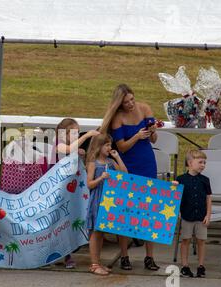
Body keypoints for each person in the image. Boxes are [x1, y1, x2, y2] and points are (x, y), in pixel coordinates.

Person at [100, 84, 160, 271]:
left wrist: (152, 131)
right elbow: (122, 147)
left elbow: (153, 140)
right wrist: (137, 136)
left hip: (147, 162)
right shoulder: (118, 118)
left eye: (132, 99)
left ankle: (149, 256)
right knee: (124, 211)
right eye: (126, 102)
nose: (131, 104)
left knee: (150, 210)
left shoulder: (145, 108)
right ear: (119, 103)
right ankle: (124, 256)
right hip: (127, 165)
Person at [52, 118, 100, 268]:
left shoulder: (72, 146)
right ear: (64, 134)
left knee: (69, 221)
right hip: (57, 192)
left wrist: (80, 154)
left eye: (79, 133)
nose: (77, 135)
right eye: (75, 133)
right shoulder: (58, 145)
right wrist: (85, 136)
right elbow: (65, 151)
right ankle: (58, 253)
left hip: (70, 191)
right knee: (58, 222)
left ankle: (68, 253)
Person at [86, 134, 127, 275]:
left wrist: (118, 157)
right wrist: (100, 178)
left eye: (110, 145)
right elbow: (89, 184)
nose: (110, 147)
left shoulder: (110, 162)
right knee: (95, 232)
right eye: (107, 145)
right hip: (97, 199)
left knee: (101, 232)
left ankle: (98, 262)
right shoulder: (93, 163)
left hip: (108, 201)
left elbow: (124, 173)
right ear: (99, 146)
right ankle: (94, 264)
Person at [176, 150, 212, 278]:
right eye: (200, 162)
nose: (203, 165)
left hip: (201, 216)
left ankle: (201, 266)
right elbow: (174, 197)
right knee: (185, 240)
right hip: (187, 216)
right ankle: (185, 266)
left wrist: (208, 215)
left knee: (201, 241)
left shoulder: (205, 180)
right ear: (190, 163)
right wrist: (173, 187)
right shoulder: (180, 179)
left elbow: (208, 198)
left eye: (204, 162)